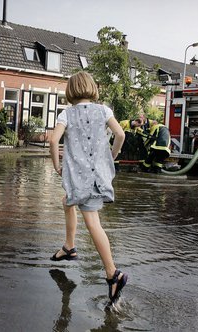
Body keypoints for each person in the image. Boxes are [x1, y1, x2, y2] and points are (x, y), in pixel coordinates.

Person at [49, 71, 127, 307]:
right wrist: (111, 156)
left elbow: (53, 141)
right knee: (67, 202)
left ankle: (113, 274)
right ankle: (69, 246)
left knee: (93, 222)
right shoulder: (103, 110)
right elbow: (120, 134)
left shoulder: (67, 114)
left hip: (81, 178)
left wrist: (56, 165)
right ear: (92, 88)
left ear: (71, 91)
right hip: (95, 176)